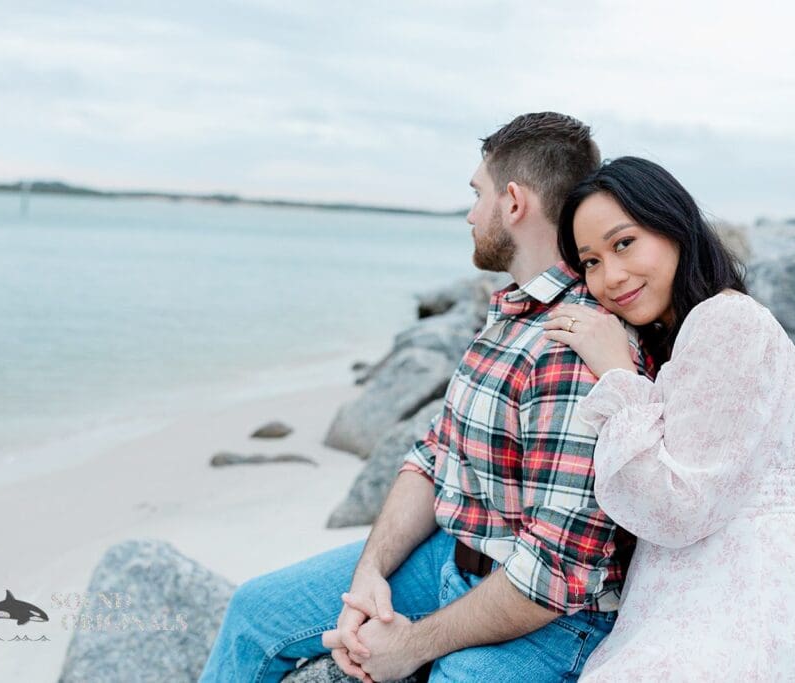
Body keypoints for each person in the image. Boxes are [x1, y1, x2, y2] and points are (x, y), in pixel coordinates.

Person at [199, 113, 651, 683]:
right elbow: (431, 457)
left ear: (512, 203)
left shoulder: (571, 343)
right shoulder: (510, 314)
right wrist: (370, 575)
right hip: (451, 556)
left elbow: (556, 571)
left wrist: (413, 646)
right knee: (255, 612)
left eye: (475, 193)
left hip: (551, 618)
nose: (468, 212)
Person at [543, 156, 795, 681]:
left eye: (624, 243)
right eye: (591, 262)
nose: (610, 276)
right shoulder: (694, 330)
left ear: (674, 225)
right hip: (714, 586)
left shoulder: (726, 319)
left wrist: (617, 373)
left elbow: (678, 509)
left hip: (742, 594)